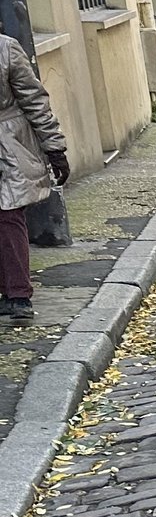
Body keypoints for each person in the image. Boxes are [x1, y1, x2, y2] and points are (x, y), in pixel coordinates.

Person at [0, 36, 66, 325]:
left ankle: (18, 294)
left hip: (9, 144)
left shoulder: (6, 49)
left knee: (8, 214)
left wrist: (54, 147)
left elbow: (35, 100)